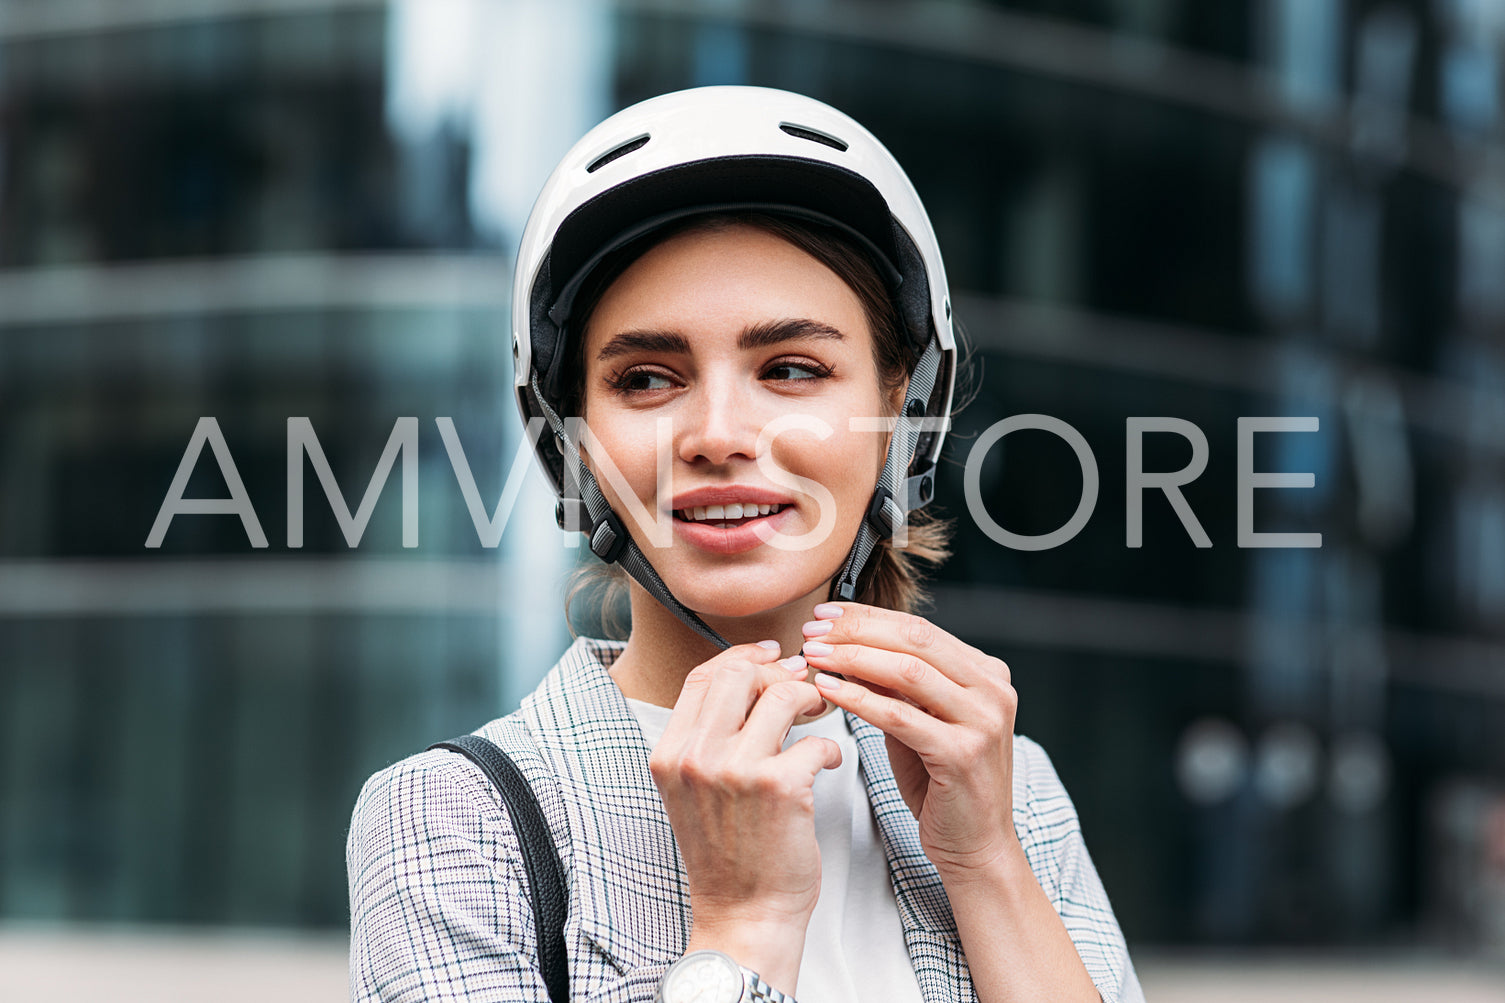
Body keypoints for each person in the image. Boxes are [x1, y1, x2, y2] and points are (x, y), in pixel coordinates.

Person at [347, 85, 1143, 1003]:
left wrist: (986, 861)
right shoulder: (450, 819)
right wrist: (742, 928)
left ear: (901, 416)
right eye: (646, 378)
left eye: (791, 369)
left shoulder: (1007, 782)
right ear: (575, 444)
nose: (717, 432)